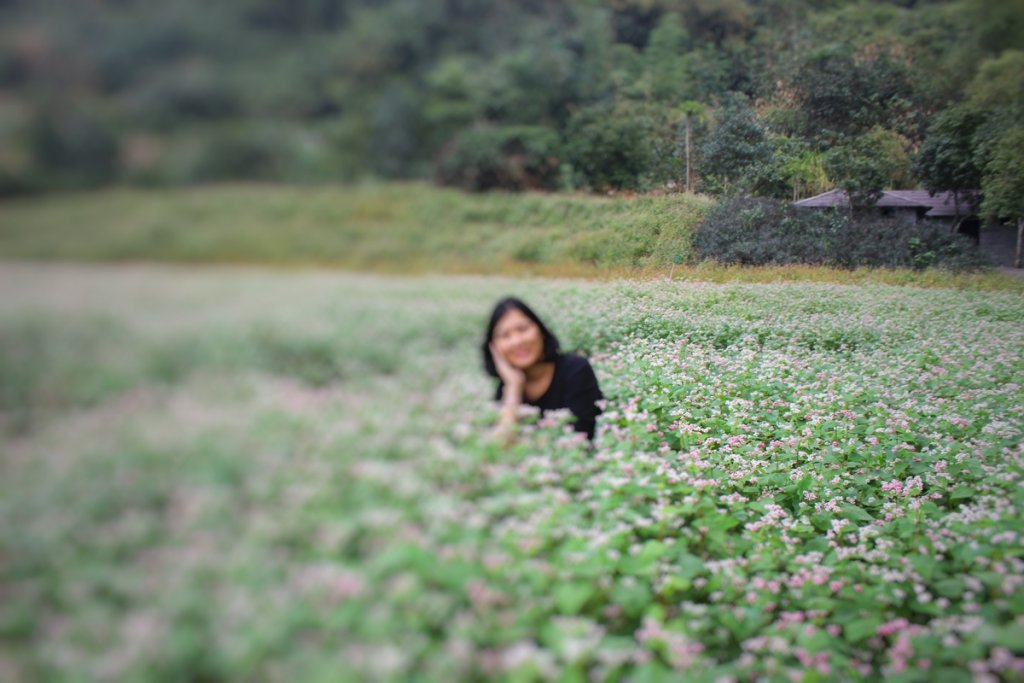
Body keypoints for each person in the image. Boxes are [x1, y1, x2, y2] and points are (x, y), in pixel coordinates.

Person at [482, 297, 603, 441]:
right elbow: (498, 449)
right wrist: (514, 387)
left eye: (523, 329)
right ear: (494, 348)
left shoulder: (575, 370)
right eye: (505, 335)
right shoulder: (506, 388)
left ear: (541, 331)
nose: (517, 341)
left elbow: (580, 440)